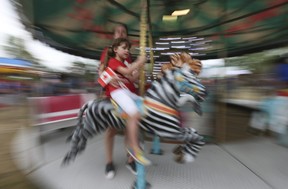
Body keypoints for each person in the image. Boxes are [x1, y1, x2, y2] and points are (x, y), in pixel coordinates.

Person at [103, 37, 151, 166]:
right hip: (117, 92)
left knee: (145, 103)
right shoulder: (113, 62)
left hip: (126, 91)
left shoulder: (123, 63)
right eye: (124, 48)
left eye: (128, 49)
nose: (127, 51)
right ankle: (134, 149)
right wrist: (139, 62)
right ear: (115, 49)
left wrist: (141, 70)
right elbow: (128, 71)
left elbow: (130, 79)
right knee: (134, 113)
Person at [98, 24, 137, 179]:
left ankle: (130, 158)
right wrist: (109, 78)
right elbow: (100, 73)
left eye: (124, 32)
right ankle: (109, 161)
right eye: (118, 32)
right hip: (114, 95)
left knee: (130, 127)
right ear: (114, 35)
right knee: (112, 129)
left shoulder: (128, 56)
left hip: (129, 92)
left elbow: (131, 74)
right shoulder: (107, 53)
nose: (121, 33)